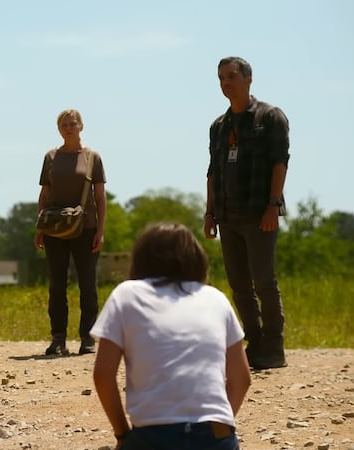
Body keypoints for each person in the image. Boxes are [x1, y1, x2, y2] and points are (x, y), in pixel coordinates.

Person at [92, 222, 252, 450]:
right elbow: (242, 379)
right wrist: (218, 423)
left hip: (153, 435)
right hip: (216, 435)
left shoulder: (127, 295)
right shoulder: (216, 299)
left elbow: (103, 376)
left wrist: (122, 435)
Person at [204, 56, 290, 370]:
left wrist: (272, 205)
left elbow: (280, 162)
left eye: (231, 77)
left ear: (248, 79)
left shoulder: (270, 117)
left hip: (259, 214)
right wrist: (210, 213)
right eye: (221, 78)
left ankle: (274, 346)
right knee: (239, 284)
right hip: (228, 216)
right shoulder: (219, 125)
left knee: (264, 281)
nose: (226, 83)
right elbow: (212, 172)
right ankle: (254, 343)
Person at [34, 109, 106, 356]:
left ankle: (87, 337)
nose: (68, 127)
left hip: (85, 228)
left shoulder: (92, 157)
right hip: (54, 228)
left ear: (81, 126)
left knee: (87, 284)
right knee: (57, 285)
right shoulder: (51, 157)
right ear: (59, 129)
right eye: (64, 124)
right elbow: (44, 193)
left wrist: (101, 231)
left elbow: (100, 197)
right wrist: (39, 227)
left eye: (72, 123)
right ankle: (58, 338)